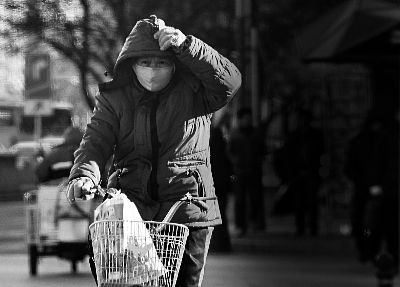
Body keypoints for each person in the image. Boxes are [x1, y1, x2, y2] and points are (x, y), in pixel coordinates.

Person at [66, 15, 241, 287]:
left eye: (161, 63)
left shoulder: (196, 91)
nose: (152, 70)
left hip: (187, 209)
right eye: (145, 62)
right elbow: (96, 139)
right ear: (131, 64)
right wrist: (85, 176)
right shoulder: (115, 97)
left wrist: (187, 46)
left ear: (174, 65)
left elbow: (230, 81)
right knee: (116, 277)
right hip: (131, 210)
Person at [345, 110, 398, 267]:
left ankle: (369, 250)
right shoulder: (386, 140)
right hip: (375, 190)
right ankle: (372, 250)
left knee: (370, 225)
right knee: (371, 225)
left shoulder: (366, 141)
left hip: (371, 190)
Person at [275, 109, 324, 236]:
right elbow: (287, 156)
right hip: (298, 172)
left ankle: (310, 227)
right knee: (300, 201)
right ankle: (302, 226)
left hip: (309, 171)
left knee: (310, 201)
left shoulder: (313, 135)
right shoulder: (296, 136)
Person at [228, 108, 266, 236]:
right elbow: (229, 152)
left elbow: (262, 150)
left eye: (249, 118)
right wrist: (235, 163)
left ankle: (254, 222)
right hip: (240, 171)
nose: (247, 120)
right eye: (245, 118)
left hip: (254, 170)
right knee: (240, 200)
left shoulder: (256, 133)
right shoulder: (235, 135)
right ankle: (241, 225)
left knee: (255, 198)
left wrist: (259, 161)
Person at [209, 115, 233, 252]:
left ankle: (217, 245)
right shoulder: (222, 151)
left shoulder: (210, 149)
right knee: (221, 215)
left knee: (214, 216)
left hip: (214, 186)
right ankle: (223, 245)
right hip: (221, 185)